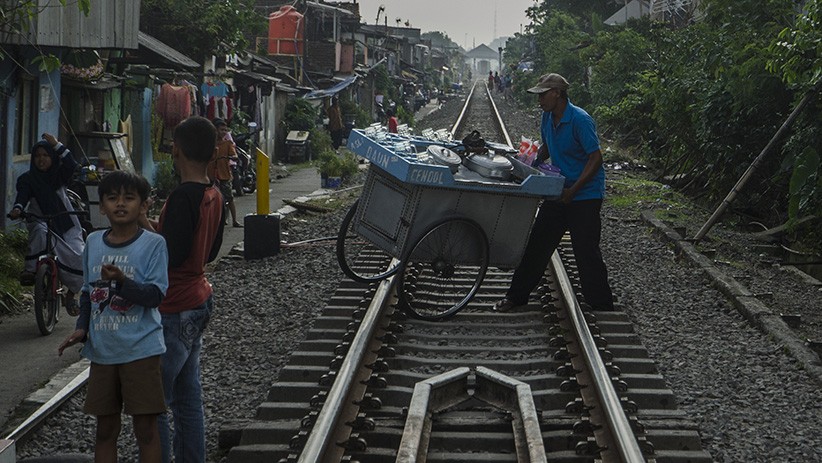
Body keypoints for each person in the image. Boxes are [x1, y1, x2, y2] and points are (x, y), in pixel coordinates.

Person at [58, 170, 169, 463]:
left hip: (142, 351)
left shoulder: (154, 244)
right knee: (105, 429)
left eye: (129, 198)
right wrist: (82, 328)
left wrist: (121, 282)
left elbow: (155, 296)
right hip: (104, 353)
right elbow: (87, 292)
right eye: (112, 198)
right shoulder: (93, 242)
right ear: (102, 206)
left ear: (144, 206)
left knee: (145, 429)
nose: (121, 204)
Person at [140, 116, 224, 463]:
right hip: (199, 298)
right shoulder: (216, 193)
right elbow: (210, 250)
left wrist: (144, 225)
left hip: (174, 306)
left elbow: (169, 255)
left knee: (153, 400)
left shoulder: (181, 197)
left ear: (175, 150)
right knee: (188, 397)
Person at [494, 73, 615, 313]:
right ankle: (516, 296)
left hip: (585, 194)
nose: (539, 100)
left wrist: (574, 190)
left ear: (557, 93)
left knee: (586, 249)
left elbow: (596, 158)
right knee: (538, 244)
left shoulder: (580, 120)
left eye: (543, 94)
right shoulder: (547, 117)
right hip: (559, 190)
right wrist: (531, 164)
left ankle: (601, 303)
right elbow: (547, 144)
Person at [11, 133, 84, 315]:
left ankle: (71, 294)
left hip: (65, 222)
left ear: (52, 157)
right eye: (37, 156)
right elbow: (22, 197)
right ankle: (30, 270)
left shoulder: (59, 175)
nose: (41, 159)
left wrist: (56, 144)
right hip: (40, 220)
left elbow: (72, 165)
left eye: (45, 155)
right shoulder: (27, 179)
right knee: (39, 232)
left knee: (78, 254)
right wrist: (18, 209)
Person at [208, 119, 242, 227]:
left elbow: (234, 155)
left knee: (229, 197)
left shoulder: (228, 143)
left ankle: (235, 220)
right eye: (221, 130)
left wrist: (233, 157)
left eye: (225, 130)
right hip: (211, 175)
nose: (223, 132)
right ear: (215, 130)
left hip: (224, 174)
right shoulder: (210, 143)